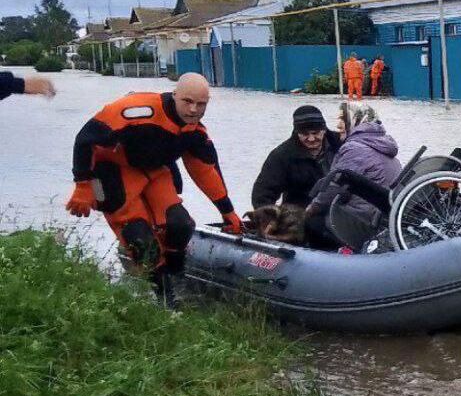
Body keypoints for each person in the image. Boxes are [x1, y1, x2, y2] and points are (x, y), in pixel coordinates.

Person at [66, 73, 242, 307]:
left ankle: (176, 276)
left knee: (180, 224)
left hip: (153, 170)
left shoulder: (195, 132)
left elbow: (206, 171)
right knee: (139, 238)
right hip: (107, 171)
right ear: (175, 95)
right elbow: (85, 139)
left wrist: (227, 211)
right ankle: (161, 294)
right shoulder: (135, 111)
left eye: (201, 104)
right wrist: (82, 184)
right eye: (187, 102)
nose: (193, 110)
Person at [307, 102, 401, 250]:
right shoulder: (380, 142)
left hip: (366, 219)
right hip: (383, 216)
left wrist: (310, 210)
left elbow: (333, 187)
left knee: (313, 222)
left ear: (356, 120)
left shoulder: (354, 148)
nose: (338, 125)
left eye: (342, 119)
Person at [251, 105, 342, 209]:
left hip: (341, 209)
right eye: (305, 134)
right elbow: (262, 195)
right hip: (301, 214)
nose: (311, 139)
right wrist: (272, 218)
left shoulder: (342, 145)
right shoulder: (282, 155)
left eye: (315, 133)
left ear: (324, 129)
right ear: (296, 132)